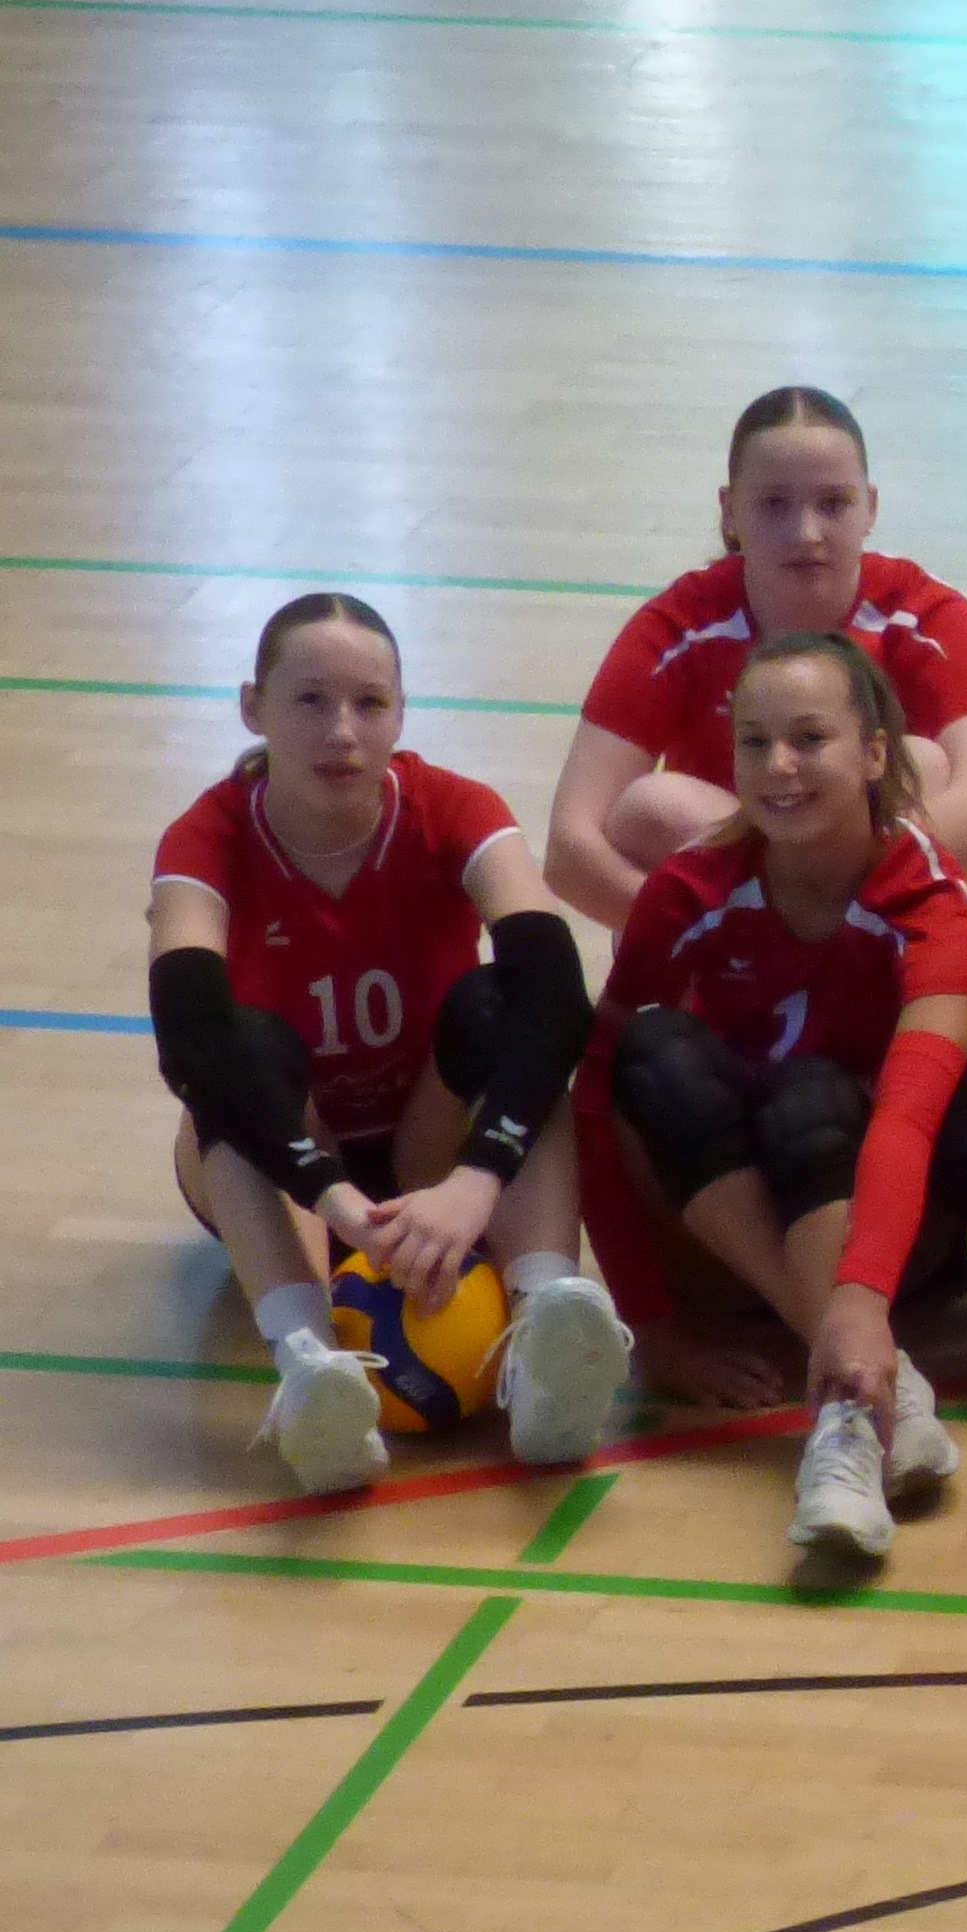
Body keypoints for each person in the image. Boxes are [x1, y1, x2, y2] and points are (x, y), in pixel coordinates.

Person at [581, 637, 967, 1556]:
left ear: (876, 752)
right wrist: (652, 1324)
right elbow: (592, 1102)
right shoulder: (690, 889)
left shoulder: (929, 898)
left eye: (810, 739)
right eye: (755, 742)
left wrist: (862, 1302)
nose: (779, 766)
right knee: (647, 1050)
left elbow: (914, 1116)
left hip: (888, 1232)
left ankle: (865, 1401)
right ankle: (873, 1377)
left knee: (896, 1082)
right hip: (729, 1241)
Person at [146, 593, 626, 1486]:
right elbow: (188, 1040)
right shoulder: (206, 837)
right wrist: (331, 1197)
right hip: (290, 1159)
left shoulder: (451, 807)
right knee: (234, 1051)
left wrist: (479, 1178)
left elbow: (556, 991)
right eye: (309, 701)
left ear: (401, 715)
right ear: (253, 708)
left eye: (369, 703)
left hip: (428, 1143)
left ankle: (546, 1326)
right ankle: (311, 1372)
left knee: (505, 1006)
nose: (342, 732)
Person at [548, 387, 967, 935]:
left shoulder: (927, 618)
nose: (806, 533)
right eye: (774, 504)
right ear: (730, 512)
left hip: (883, 922)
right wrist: (713, 938)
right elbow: (570, 850)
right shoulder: (679, 627)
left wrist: (831, 922)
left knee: (924, 765)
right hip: (735, 933)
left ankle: (923, 984)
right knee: (653, 808)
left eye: (833, 504)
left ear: (870, 508)